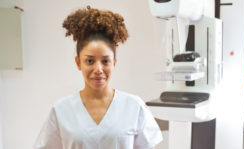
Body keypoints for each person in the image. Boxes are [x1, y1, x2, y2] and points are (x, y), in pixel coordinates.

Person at [34, 6, 163, 149]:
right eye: (90, 61)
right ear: (78, 63)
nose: (98, 69)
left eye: (105, 61)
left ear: (114, 63)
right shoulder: (61, 110)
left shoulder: (134, 107)